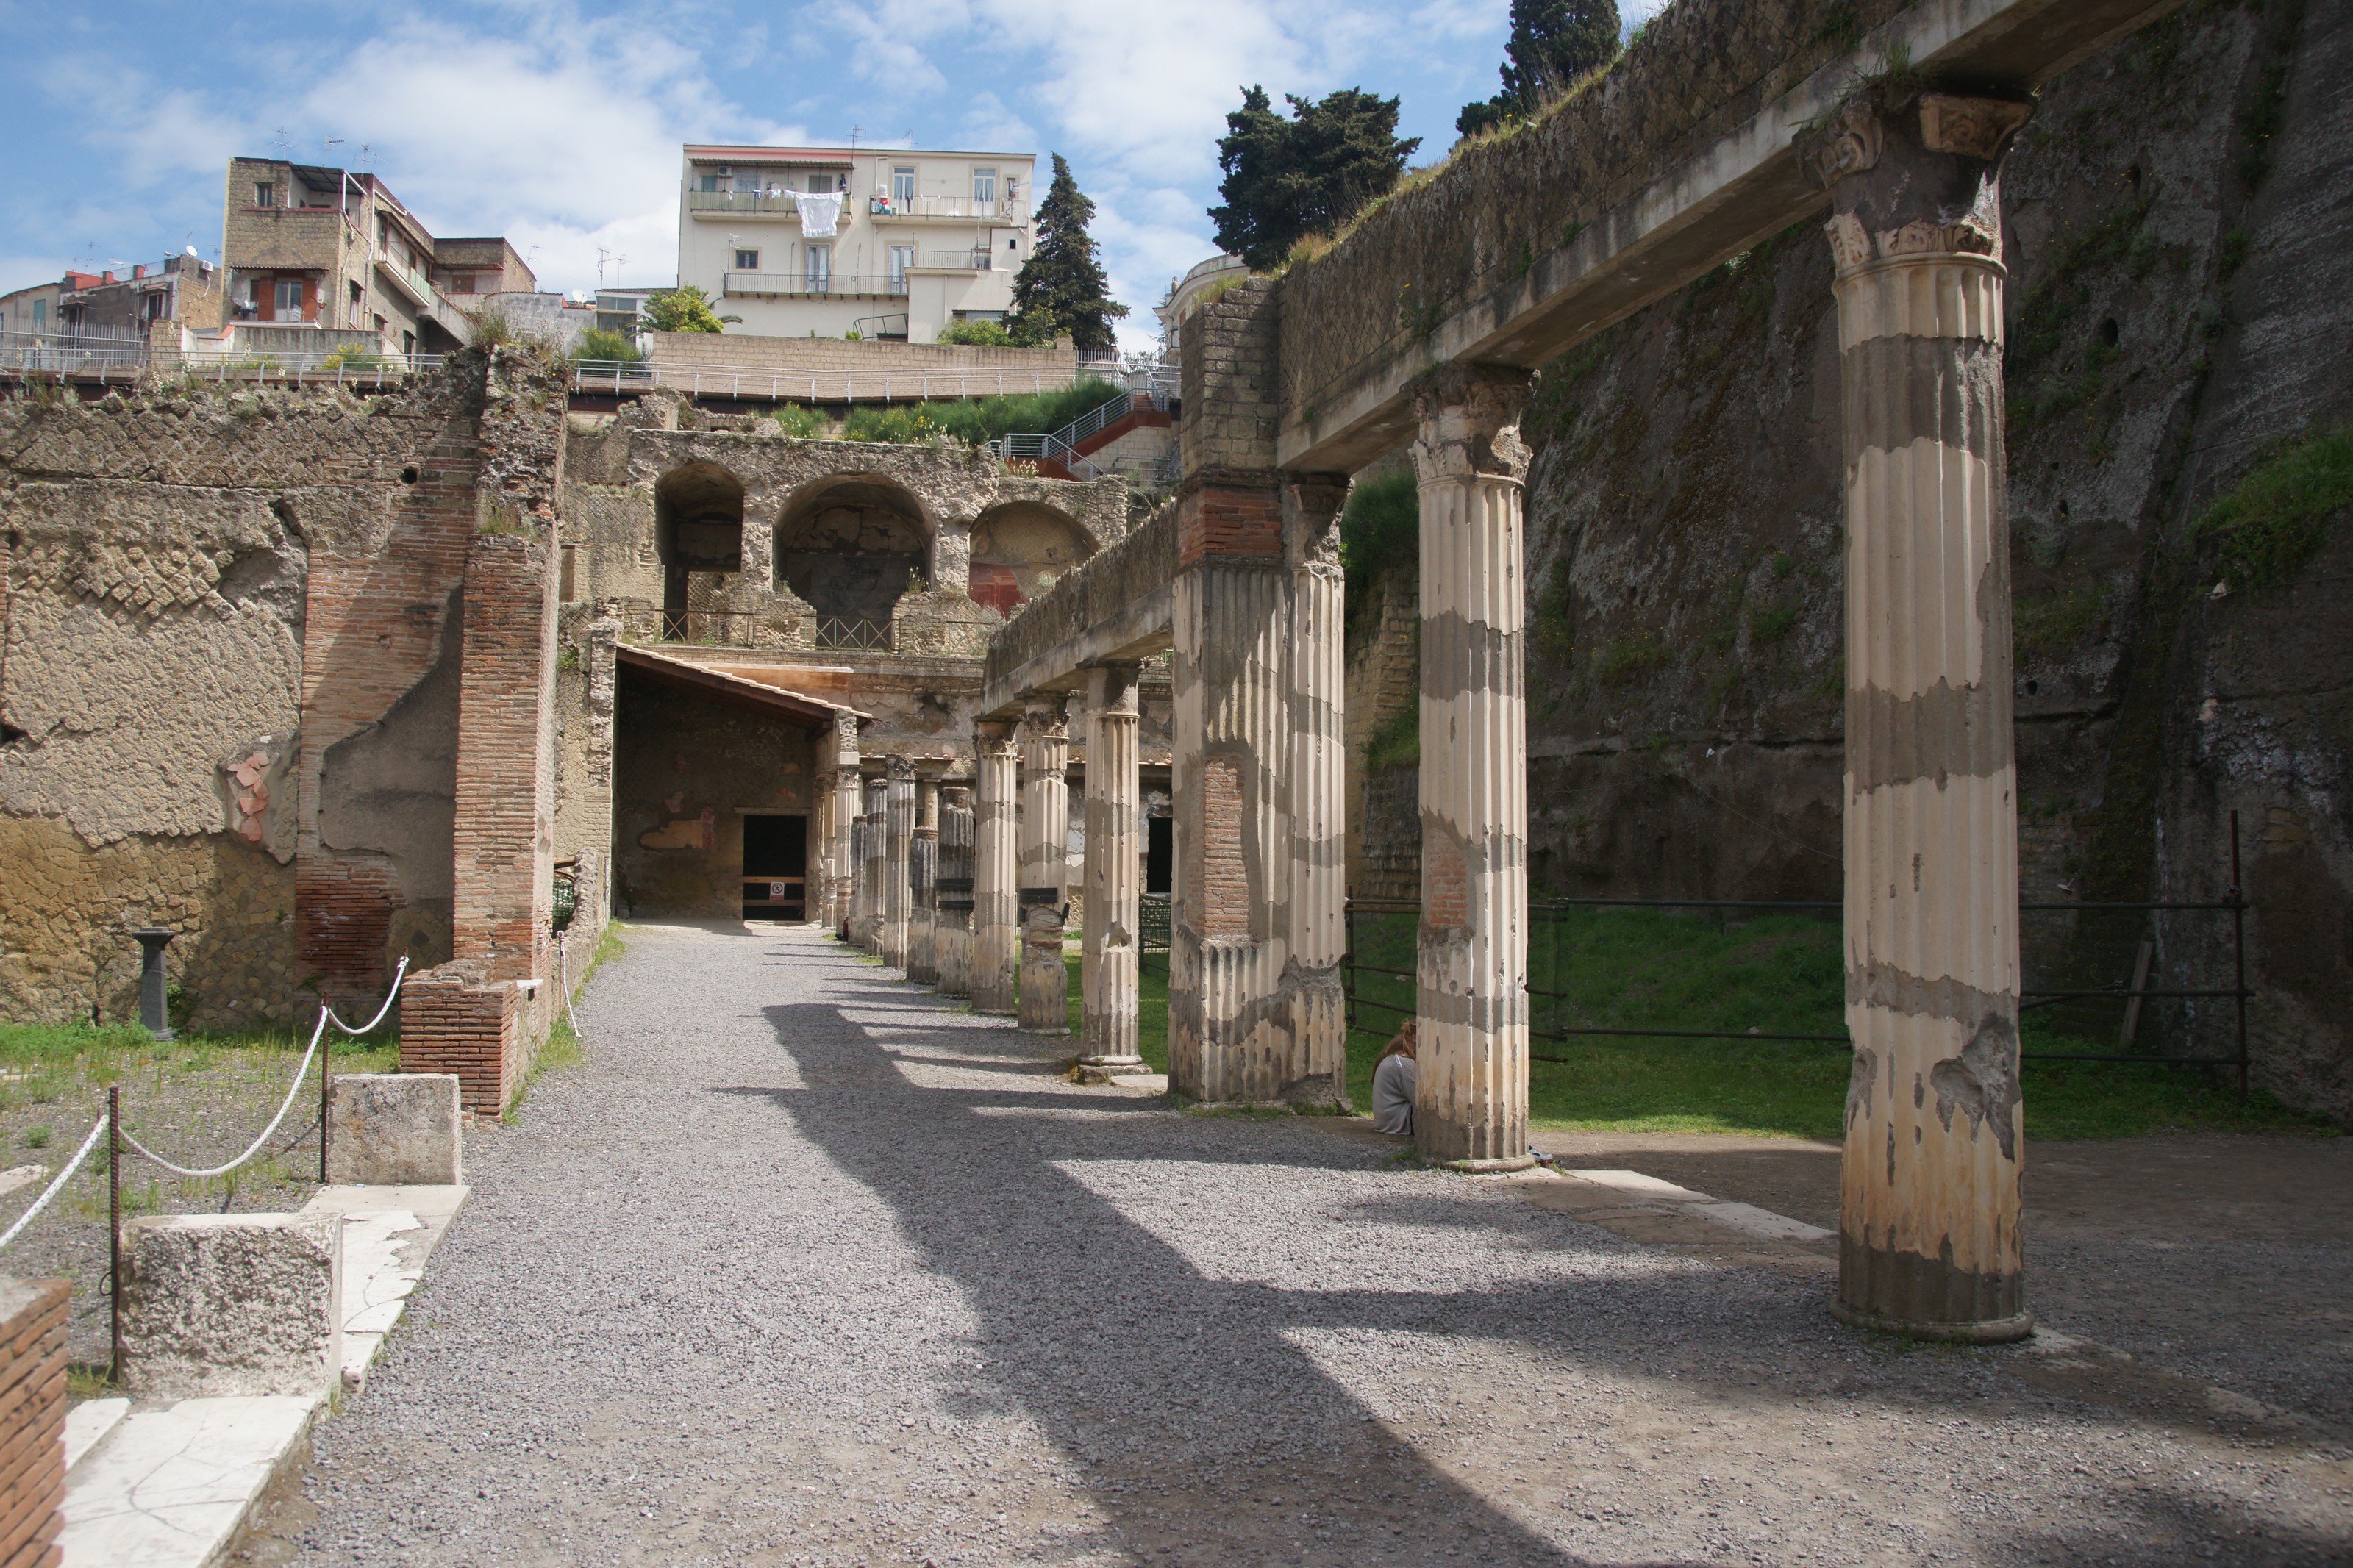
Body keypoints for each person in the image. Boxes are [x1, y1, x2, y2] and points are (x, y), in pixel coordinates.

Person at [1371, 1020, 1417, 1136]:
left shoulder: (1396, 1058)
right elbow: (1419, 1102)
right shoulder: (1405, 1063)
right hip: (1397, 1123)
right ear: (1415, 1038)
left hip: (1386, 1122)